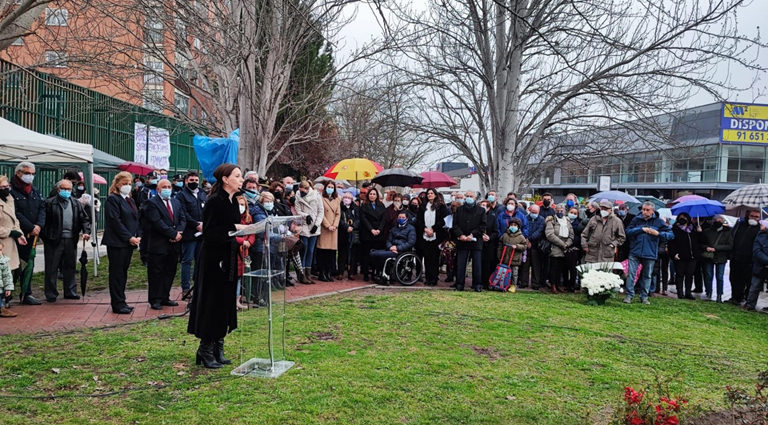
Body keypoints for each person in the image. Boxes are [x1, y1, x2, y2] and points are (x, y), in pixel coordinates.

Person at [187, 163, 245, 369]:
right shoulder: (214, 201)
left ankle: (218, 347)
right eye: (237, 176)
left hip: (228, 255)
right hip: (213, 258)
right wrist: (235, 229)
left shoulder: (233, 201)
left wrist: (240, 231)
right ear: (225, 179)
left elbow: (231, 226)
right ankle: (205, 349)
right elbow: (211, 232)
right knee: (213, 302)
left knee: (225, 303)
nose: (241, 179)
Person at [41, 179, 92, 302]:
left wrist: (86, 231)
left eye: (69, 189)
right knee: (51, 267)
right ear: (58, 189)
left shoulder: (76, 203)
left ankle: (70, 291)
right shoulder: (49, 203)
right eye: (64, 189)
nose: (67, 191)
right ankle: (51, 293)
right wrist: (47, 237)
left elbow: (84, 219)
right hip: (53, 240)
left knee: (70, 266)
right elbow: (42, 221)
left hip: (71, 239)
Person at [141, 179, 186, 310]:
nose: (167, 189)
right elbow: (157, 222)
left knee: (170, 271)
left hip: (174, 244)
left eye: (169, 186)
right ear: (159, 189)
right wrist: (172, 234)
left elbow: (182, 218)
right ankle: (155, 299)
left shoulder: (176, 202)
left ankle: (165, 296)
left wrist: (179, 233)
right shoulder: (151, 203)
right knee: (156, 273)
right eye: (164, 187)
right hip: (158, 244)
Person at [101, 172, 141, 314]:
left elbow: (135, 219)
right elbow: (115, 221)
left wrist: (137, 235)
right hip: (117, 243)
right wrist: (129, 237)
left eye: (129, 184)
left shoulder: (129, 200)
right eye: (124, 183)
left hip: (129, 242)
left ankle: (122, 300)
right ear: (117, 184)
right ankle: (117, 303)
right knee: (116, 273)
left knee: (123, 273)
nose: (127, 186)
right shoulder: (113, 199)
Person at [622, 202, 673, 305]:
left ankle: (644, 297)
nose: (644, 212)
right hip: (635, 251)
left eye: (647, 210)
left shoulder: (658, 221)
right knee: (631, 274)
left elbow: (671, 235)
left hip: (650, 252)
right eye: (643, 209)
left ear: (652, 211)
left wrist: (658, 233)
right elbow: (627, 231)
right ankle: (629, 295)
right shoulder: (636, 219)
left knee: (647, 275)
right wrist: (641, 229)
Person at [10, 161, 45, 305]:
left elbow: (42, 208)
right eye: (27, 173)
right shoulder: (11, 191)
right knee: (14, 265)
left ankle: (26, 293)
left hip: (33, 235)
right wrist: (30, 226)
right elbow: (15, 212)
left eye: (32, 174)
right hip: (18, 235)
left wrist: (38, 225)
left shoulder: (35, 191)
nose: (30, 176)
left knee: (29, 263)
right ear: (18, 173)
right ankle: (8, 294)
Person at [176, 171, 206, 298]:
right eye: (191, 180)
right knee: (187, 260)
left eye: (196, 180)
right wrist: (196, 224)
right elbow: (183, 213)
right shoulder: (181, 195)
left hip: (202, 232)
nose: (194, 182)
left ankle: (197, 285)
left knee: (200, 260)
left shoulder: (203, 193)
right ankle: (186, 288)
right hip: (189, 233)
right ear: (186, 181)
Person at [0, 175, 27, 311]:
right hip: (2, 243)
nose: (6, 189)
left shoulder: (10, 200)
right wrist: (9, 232)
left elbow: (14, 220)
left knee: (12, 271)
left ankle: (7, 300)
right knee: (2, 273)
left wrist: (19, 234)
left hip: (11, 243)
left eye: (7, 187)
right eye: (3, 187)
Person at [451, 191, 486, 292]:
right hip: (462, 240)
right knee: (461, 263)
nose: (469, 198)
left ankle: (477, 284)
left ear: (475, 198)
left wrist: (472, 234)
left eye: (471, 196)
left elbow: (482, 226)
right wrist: (460, 234)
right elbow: (455, 225)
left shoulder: (481, 211)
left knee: (477, 264)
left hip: (475, 240)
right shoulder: (459, 210)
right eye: (467, 196)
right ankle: (459, 284)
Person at [370, 211, 416, 283]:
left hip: (402, 251)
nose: (401, 219)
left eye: (403, 217)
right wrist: (390, 247)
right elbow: (388, 240)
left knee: (381, 255)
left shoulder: (411, 229)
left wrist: (397, 248)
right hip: (391, 249)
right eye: (399, 217)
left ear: (407, 219)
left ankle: (386, 276)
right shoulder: (394, 228)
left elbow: (410, 242)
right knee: (373, 253)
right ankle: (378, 273)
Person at [728, 210, 761, 304]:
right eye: (752, 216)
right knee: (734, 278)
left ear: (759, 218)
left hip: (750, 260)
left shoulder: (760, 229)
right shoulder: (740, 225)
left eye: (756, 216)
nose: (754, 218)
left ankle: (746, 298)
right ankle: (735, 297)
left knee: (748, 280)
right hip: (736, 256)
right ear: (748, 215)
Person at [417, 188, 449, 286]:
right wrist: (425, 229)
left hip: (436, 235)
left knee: (435, 258)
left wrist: (433, 229)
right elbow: (419, 220)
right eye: (428, 193)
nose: (429, 195)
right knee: (427, 257)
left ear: (435, 195)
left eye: (431, 193)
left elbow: (443, 221)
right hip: (425, 234)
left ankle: (434, 278)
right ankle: (428, 277)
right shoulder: (423, 206)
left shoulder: (441, 207)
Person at [698, 214, 733, 303]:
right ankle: (709, 293)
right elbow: (701, 243)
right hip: (709, 256)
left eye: (720, 221)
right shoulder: (707, 231)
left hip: (721, 257)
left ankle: (719, 295)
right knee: (708, 275)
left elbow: (730, 245)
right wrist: (706, 248)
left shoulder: (727, 232)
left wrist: (716, 248)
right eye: (717, 220)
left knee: (720, 277)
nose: (718, 222)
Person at [295, 180, 324, 282]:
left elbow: (321, 211)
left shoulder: (316, 195)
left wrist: (316, 225)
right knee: (304, 249)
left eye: (303, 191)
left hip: (314, 226)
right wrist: (305, 215)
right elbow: (298, 210)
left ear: (308, 189)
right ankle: (302, 274)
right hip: (304, 225)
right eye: (300, 191)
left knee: (311, 251)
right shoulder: (298, 196)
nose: (302, 193)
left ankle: (308, 273)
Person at [581, 199, 626, 264]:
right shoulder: (594, 219)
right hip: (592, 255)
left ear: (611, 210)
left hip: (607, 256)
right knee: (590, 273)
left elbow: (622, 237)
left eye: (606, 209)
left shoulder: (617, 221)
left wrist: (613, 244)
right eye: (602, 208)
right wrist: (584, 246)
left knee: (605, 274)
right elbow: (584, 234)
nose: (603, 210)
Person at [545, 204, 574, 293]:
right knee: (554, 267)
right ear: (555, 210)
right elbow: (550, 235)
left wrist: (567, 244)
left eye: (562, 210)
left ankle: (559, 284)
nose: (560, 212)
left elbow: (571, 235)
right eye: (558, 210)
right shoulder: (551, 221)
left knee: (561, 268)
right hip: (555, 247)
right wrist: (562, 244)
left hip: (565, 248)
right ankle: (553, 285)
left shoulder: (567, 221)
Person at [668, 212, 697, 300]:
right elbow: (671, 243)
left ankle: (688, 292)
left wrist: (699, 232)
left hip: (691, 257)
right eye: (681, 217)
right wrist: (674, 253)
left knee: (689, 275)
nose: (683, 219)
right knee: (679, 275)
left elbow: (698, 242)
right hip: (679, 256)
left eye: (684, 217)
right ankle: (680, 292)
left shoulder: (693, 229)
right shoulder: (674, 229)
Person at [359, 188, 386, 281]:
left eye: (374, 194)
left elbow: (383, 219)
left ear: (377, 196)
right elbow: (363, 219)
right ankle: (366, 274)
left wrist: (379, 229)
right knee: (366, 255)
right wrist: (371, 229)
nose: (372, 196)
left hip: (378, 234)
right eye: (370, 194)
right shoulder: (364, 206)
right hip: (367, 233)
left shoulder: (381, 205)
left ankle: (376, 273)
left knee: (377, 255)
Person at [316, 182, 341, 282]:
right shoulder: (321, 199)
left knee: (331, 253)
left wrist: (335, 225)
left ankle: (329, 272)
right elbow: (321, 213)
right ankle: (322, 273)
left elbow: (338, 214)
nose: (330, 189)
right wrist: (328, 225)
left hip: (334, 229)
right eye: (328, 187)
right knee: (323, 252)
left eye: (332, 187)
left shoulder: (337, 199)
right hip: (325, 228)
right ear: (325, 188)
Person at [234, 195, 256, 310]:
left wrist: (249, 242)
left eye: (242, 205)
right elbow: (230, 233)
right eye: (238, 204)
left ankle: (238, 300)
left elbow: (252, 232)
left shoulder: (248, 218)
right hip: (234, 250)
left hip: (245, 252)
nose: (240, 207)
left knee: (241, 276)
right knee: (234, 276)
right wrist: (242, 241)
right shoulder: (231, 217)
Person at [497, 218, 527, 292]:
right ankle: (504, 284)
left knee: (514, 273)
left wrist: (517, 246)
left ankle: (513, 285)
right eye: (511, 225)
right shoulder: (505, 235)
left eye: (515, 225)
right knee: (504, 272)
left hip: (515, 258)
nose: (513, 227)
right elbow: (500, 244)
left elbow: (524, 246)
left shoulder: (521, 237)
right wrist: (499, 255)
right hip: (505, 257)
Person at [744, 220, 768, 312]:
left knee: (755, 285)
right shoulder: (760, 236)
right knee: (755, 286)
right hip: (760, 266)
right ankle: (750, 304)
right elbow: (757, 251)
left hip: (762, 265)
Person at [520, 204, 545, 290]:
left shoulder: (542, 220)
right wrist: (526, 240)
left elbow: (539, 231)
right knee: (525, 265)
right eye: (532, 212)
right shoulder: (525, 218)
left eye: (535, 212)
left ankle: (535, 283)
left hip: (536, 245)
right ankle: (524, 282)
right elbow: (524, 229)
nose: (533, 213)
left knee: (536, 265)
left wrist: (530, 239)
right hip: (525, 244)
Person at [338, 192, 359, 279]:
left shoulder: (355, 208)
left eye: (349, 197)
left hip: (352, 234)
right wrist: (346, 226)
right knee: (342, 254)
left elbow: (358, 219)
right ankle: (340, 272)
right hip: (343, 233)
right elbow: (339, 219)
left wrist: (353, 226)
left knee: (352, 254)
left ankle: (351, 273)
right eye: (345, 197)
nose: (347, 199)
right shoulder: (340, 208)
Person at [480, 199, 499, 290]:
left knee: (487, 264)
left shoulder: (492, 217)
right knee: (478, 263)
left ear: (488, 208)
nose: (482, 207)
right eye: (481, 205)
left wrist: (489, 237)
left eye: (484, 205)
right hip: (479, 243)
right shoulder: (477, 216)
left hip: (489, 244)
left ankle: (486, 283)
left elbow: (496, 231)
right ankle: (477, 282)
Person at [565, 207, 585, 291]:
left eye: (575, 213)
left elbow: (580, 236)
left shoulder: (579, 223)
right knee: (564, 267)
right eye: (571, 212)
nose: (572, 214)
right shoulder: (564, 221)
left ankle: (572, 285)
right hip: (564, 246)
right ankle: (565, 284)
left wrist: (572, 243)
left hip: (574, 248)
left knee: (573, 268)